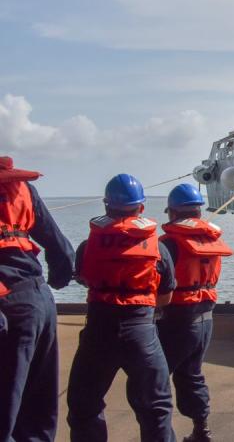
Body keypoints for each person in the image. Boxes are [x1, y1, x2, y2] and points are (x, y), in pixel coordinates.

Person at [66, 173, 177, 442]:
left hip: (98, 332)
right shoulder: (158, 249)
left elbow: (85, 278)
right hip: (141, 332)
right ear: (141, 207)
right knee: (156, 408)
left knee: (84, 405)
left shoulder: (87, 245)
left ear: (106, 206)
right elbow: (166, 296)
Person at [0, 156, 74, 441]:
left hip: (8, 308)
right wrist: (57, 280)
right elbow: (61, 249)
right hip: (40, 299)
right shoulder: (23, 189)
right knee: (38, 409)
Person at [157, 184, 233, 442]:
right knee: (192, 374)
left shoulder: (168, 243)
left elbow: (157, 279)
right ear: (199, 213)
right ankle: (202, 430)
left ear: (173, 213)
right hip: (205, 318)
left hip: (177, 319)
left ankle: (162, 435)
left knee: (155, 379)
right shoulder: (212, 239)